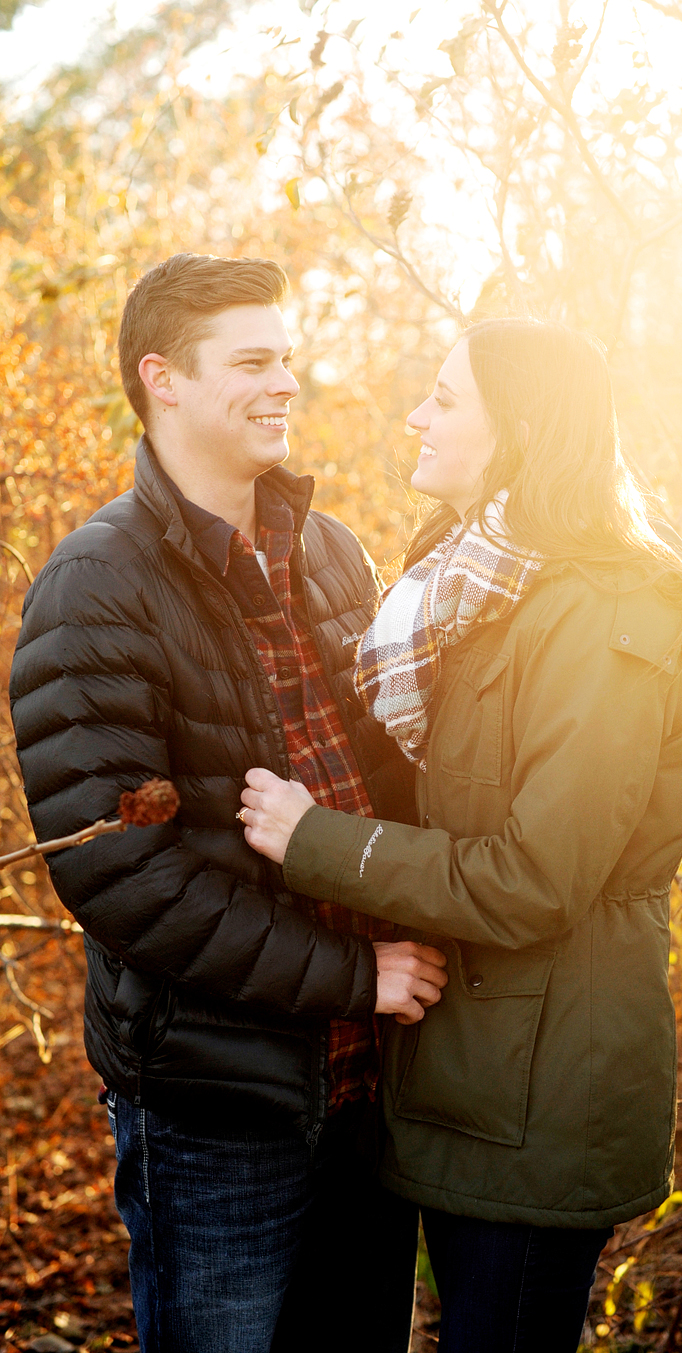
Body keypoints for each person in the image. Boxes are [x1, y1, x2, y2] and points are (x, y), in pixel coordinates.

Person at [237, 318, 682, 1352]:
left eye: (444, 399)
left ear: (519, 429)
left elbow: (536, 876)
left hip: (541, 1091)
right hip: (453, 1068)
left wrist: (322, 842)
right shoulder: (469, 580)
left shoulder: (604, 613)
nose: (416, 417)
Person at [9, 252, 449, 1353]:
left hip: (369, 1085)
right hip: (217, 1103)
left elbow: (401, 778)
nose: (286, 384)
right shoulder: (95, 586)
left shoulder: (333, 554)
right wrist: (355, 974)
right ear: (162, 377)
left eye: (288, 359)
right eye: (254, 362)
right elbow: (121, 877)